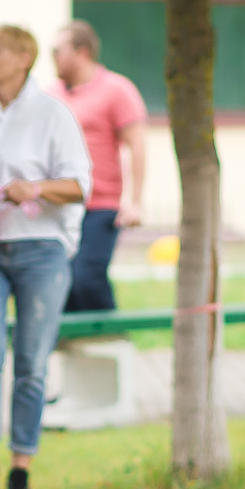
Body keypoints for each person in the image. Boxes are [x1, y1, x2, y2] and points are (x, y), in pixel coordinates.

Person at [0, 25, 91, 489]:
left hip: (42, 250)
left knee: (32, 364)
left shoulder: (53, 114)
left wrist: (32, 188)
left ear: (23, 58)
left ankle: (21, 471)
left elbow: (80, 185)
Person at [47, 20, 148, 312]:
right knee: (61, 284)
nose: (52, 57)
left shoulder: (116, 90)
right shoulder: (50, 95)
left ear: (82, 51)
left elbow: (137, 145)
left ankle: (111, 338)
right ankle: (79, 347)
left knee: (86, 279)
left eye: (58, 50)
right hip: (60, 204)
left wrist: (135, 202)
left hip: (100, 205)